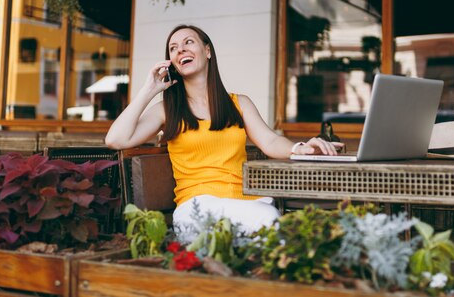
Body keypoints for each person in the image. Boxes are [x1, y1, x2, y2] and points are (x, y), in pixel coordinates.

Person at [105, 25, 341, 240]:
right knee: (270, 223)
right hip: (196, 208)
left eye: (188, 42)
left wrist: (300, 148)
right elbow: (115, 139)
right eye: (173, 48)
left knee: (271, 225)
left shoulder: (239, 104)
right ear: (172, 63)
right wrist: (149, 90)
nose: (180, 50)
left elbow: (269, 141)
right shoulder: (167, 109)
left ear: (207, 51)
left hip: (247, 204)